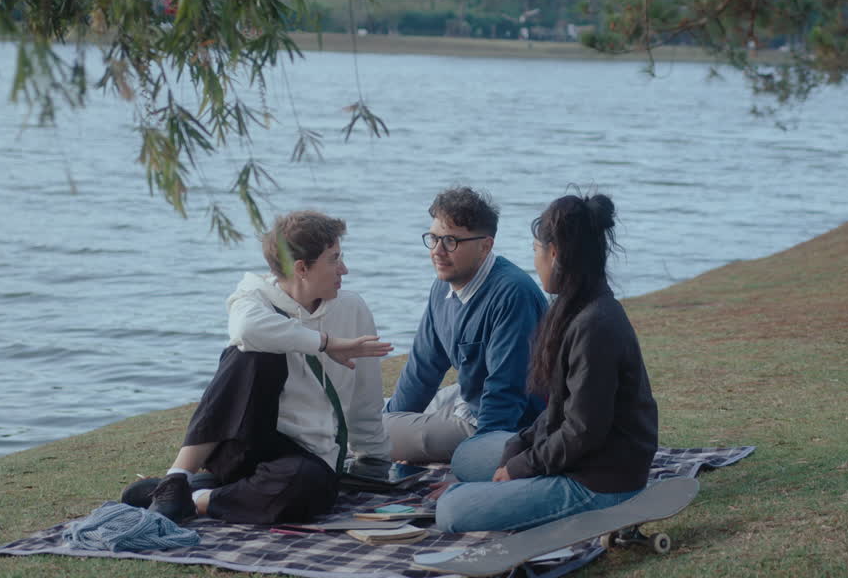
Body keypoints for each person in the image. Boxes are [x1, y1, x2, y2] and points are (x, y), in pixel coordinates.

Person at [120, 210, 393, 524]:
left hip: (307, 457)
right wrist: (325, 343)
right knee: (249, 352)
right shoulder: (254, 298)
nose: (344, 269)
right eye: (334, 260)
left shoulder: (352, 308)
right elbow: (246, 331)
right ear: (302, 268)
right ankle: (176, 481)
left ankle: (197, 497)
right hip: (243, 445)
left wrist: (373, 459)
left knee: (307, 486)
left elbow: (366, 397)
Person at [433, 194, 659, 532]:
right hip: (575, 457)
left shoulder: (595, 325)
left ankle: (521, 493)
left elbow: (583, 431)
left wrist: (520, 469)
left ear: (555, 254)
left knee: (451, 510)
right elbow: (559, 412)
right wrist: (519, 446)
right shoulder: (573, 307)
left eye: (536, 251)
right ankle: (510, 483)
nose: (535, 261)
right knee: (469, 454)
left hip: (600, 481)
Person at [384, 186, 548, 467]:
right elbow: (422, 370)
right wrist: (393, 416)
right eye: (433, 238)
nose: (437, 251)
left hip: (512, 426)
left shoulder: (512, 294)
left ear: (485, 245)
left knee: (368, 433)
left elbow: (508, 391)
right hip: (467, 401)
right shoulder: (443, 287)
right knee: (373, 417)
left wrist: (482, 457)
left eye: (450, 241)